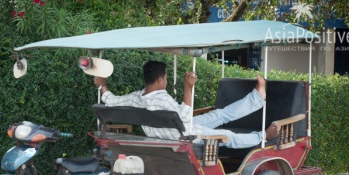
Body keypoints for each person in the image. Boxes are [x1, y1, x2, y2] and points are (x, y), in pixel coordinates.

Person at [94, 60, 280, 149]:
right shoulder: (163, 100)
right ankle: (263, 136)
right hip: (187, 135)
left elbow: (110, 100)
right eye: (166, 77)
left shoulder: (136, 97)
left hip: (177, 130)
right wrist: (187, 87)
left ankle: (257, 97)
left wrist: (102, 84)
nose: (166, 80)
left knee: (220, 115)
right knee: (228, 136)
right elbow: (183, 118)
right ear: (160, 79)